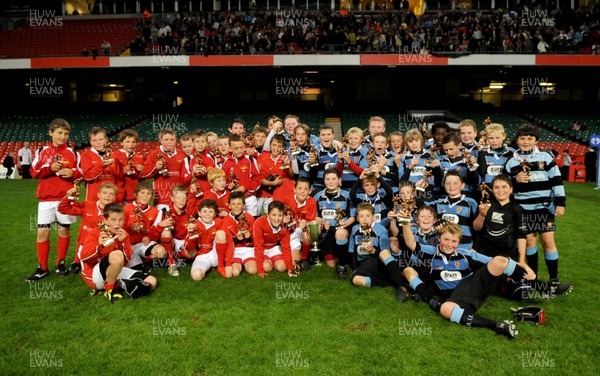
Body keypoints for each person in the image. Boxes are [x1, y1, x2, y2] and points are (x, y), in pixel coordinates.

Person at [392, 221, 535, 338]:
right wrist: (405, 223)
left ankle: (533, 285)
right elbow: (411, 244)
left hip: (475, 287)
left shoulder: (465, 254)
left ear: (459, 242)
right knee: (446, 308)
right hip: (458, 298)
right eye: (446, 239)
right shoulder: (430, 254)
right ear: (439, 238)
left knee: (498, 261)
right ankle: (498, 326)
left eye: (454, 241)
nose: (449, 244)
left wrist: (523, 266)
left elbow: (495, 261)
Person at [504, 123, 570, 293]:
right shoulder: (511, 162)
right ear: (517, 140)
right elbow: (506, 188)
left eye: (530, 138)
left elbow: (556, 181)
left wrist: (560, 203)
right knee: (530, 242)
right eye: (522, 139)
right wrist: (515, 180)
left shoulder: (546, 158)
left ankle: (554, 281)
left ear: (536, 140)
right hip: (523, 209)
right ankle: (535, 280)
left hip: (543, 208)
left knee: (548, 241)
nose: (526, 142)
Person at [26, 118, 81, 282]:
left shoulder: (73, 152)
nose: (63, 136)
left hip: (66, 197)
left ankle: (60, 263)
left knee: (64, 230)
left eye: (66, 133)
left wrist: (73, 173)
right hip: (46, 199)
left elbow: (81, 172)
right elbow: (33, 171)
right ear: (51, 133)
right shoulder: (42, 150)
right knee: (43, 231)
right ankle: (42, 267)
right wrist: (50, 168)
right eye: (59, 133)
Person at [80, 204, 157, 301]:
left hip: (114, 270)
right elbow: (84, 258)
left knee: (152, 281)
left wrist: (124, 241)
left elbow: (126, 261)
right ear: (105, 220)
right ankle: (110, 290)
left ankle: (121, 284)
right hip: (95, 275)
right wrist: (99, 246)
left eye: (121, 219)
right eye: (113, 219)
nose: (118, 223)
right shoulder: (95, 233)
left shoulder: (123, 234)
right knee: (117, 254)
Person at [59, 181, 119, 275]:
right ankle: (78, 262)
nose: (108, 196)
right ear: (98, 194)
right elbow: (63, 209)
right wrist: (69, 197)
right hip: (85, 245)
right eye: (105, 193)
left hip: (105, 245)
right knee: (90, 271)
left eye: (111, 194)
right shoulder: (88, 205)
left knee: (106, 270)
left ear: (115, 197)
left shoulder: (116, 211)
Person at [122, 182, 168, 271]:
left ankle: (145, 260)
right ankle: (141, 262)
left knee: (161, 252)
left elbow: (156, 233)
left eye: (148, 193)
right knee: (138, 272)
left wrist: (148, 237)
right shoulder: (126, 209)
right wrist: (130, 229)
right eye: (142, 193)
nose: (145, 196)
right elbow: (120, 229)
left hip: (144, 244)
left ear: (151, 197)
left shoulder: (157, 212)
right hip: (129, 245)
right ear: (135, 194)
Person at [180, 199, 229, 281]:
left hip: (216, 254)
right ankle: (208, 267)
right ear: (199, 213)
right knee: (196, 276)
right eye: (204, 211)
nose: (207, 214)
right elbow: (188, 248)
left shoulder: (219, 222)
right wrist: (190, 234)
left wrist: (228, 263)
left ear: (215, 214)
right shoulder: (194, 225)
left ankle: (220, 266)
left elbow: (228, 240)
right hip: (202, 256)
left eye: (211, 211)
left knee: (221, 233)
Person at [142, 129, 185, 210]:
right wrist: (156, 168)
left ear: (176, 140)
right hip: (162, 198)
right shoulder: (155, 154)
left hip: (179, 198)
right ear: (161, 140)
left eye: (172, 139)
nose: (169, 142)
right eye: (166, 139)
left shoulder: (182, 154)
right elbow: (145, 174)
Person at [221, 135, 262, 217]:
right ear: (230, 149)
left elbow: (257, 180)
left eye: (241, 147)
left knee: (251, 222)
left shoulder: (250, 160)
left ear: (244, 146)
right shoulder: (226, 163)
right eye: (236, 148)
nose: (239, 151)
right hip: (234, 199)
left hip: (249, 198)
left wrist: (245, 188)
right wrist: (228, 185)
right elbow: (223, 181)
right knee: (236, 223)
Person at [252, 200, 294, 278]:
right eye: (274, 215)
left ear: (283, 216)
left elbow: (286, 248)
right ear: (268, 215)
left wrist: (290, 268)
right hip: (262, 249)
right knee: (267, 267)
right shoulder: (259, 223)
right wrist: (260, 270)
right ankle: (268, 262)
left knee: (282, 267)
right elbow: (258, 247)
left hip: (273, 248)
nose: (277, 218)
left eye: (280, 215)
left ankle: (273, 261)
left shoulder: (284, 227)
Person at [221, 191, 257, 277]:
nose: (236, 206)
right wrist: (236, 239)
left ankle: (246, 262)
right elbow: (226, 242)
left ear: (244, 205)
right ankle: (239, 263)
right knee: (235, 273)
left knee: (253, 270)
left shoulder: (250, 218)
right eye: (233, 204)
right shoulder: (225, 220)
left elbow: (255, 240)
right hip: (234, 251)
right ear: (229, 206)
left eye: (239, 203)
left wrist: (248, 238)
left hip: (248, 249)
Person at [80, 127, 119, 204]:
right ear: (90, 142)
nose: (98, 142)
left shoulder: (113, 156)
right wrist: (102, 166)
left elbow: (118, 178)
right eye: (94, 140)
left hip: (111, 199)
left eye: (101, 139)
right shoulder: (86, 155)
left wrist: (119, 198)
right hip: (93, 199)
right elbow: (87, 176)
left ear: (106, 139)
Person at [112, 129, 144, 204]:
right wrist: (123, 171)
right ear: (121, 143)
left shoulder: (139, 158)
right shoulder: (115, 156)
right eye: (127, 141)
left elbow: (142, 179)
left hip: (135, 195)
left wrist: (141, 172)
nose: (131, 144)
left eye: (134, 142)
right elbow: (112, 176)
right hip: (120, 196)